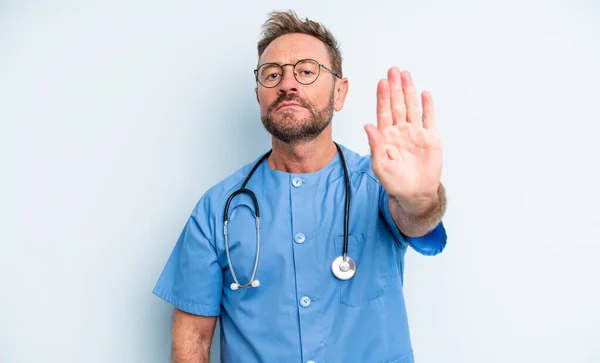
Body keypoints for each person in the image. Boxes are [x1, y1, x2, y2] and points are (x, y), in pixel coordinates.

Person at [153, 10, 448, 363]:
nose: (287, 84)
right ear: (259, 95)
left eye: (307, 71)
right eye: (272, 74)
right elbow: (193, 341)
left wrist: (420, 197)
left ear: (339, 92)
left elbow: (418, 219)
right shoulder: (217, 209)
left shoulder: (378, 185)